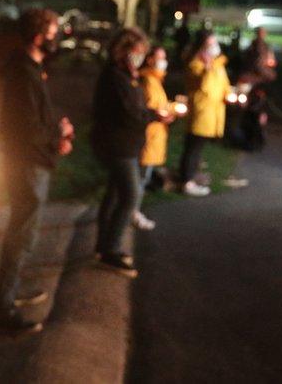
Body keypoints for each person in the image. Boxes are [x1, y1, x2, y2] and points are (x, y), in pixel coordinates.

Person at [0, 8, 74, 333]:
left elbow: (36, 119)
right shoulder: (24, 72)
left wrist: (58, 131)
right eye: (54, 33)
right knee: (22, 235)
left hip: (31, 159)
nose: (58, 40)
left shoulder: (31, 68)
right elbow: (26, 127)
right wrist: (57, 137)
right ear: (40, 36)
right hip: (27, 163)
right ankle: (4, 310)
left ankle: (10, 294)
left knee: (24, 232)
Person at [91, 28, 169, 275]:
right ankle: (111, 249)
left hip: (125, 143)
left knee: (115, 194)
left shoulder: (126, 75)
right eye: (137, 52)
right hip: (118, 145)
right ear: (123, 51)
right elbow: (130, 112)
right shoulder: (116, 77)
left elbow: (135, 107)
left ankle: (103, 247)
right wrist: (155, 115)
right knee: (131, 195)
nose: (141, 56)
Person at [179, 31, 232, 197]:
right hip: (201, 114)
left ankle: (191, 176)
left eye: (215, 43)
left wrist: (230, 94)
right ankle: (186, 181)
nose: (214, 47)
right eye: (210, 44)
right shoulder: (196, 65)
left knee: (198, 148)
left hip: (213, 113)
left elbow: (224, 85)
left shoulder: (218, 65)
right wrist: (208, 68)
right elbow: (205, 87)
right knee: (193, 147)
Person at [135, 46, 173, 231]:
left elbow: (160, 106)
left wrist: (170, 110)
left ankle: (133, 210)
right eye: (160, 57)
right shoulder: (148, 80)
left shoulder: (156, 80)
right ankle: (133, 212)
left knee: (143, 176)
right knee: (140, 177)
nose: (163, 61)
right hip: (148, 136)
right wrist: (161, 115)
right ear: (150, 59)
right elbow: (149, 109)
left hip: (155, 134)